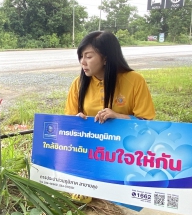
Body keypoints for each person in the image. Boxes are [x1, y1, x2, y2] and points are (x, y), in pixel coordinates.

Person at [65, 31, 155, 203]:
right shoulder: (78, 83)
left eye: (89, 56)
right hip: (90, 149)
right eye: (81, 56)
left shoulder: (134, 81)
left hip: (121, 150)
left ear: (106, 58)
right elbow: (68, 122)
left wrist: (118, 116)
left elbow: (147, 123)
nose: (83, 62)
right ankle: (85, 180)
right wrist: (76, 120)